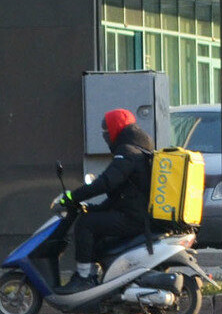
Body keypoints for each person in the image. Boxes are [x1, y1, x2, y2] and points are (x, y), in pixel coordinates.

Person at [55, 108, 155, 293]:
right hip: (133, 212)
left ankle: (85, 277)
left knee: (85, 224)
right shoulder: (137, 148)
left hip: (132, 217)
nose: (105, 135)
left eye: (106, 131)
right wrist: (93, 207)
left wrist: (73, 196)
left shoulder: (127, 152)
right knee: (91, 216)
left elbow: (106, 183)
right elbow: (122, 193)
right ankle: (101, 275)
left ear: (116, 129)